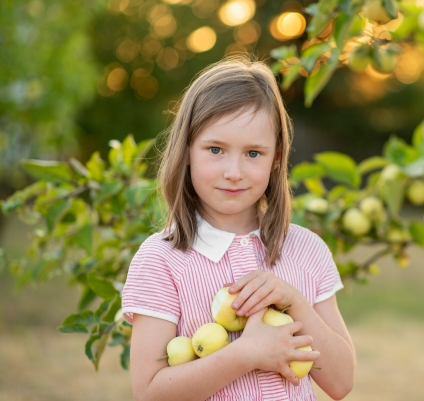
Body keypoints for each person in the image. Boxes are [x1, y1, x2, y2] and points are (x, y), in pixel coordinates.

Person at [120, 54, 356, 401]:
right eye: (215, 149)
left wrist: (294, 302)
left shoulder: (306, 250)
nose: (234, 171)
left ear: (276, 158)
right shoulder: (161, 260)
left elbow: (341, 382)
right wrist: (246, 354)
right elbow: (150, 392)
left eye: (253, 153)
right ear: (187, 151)